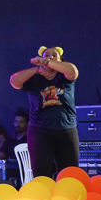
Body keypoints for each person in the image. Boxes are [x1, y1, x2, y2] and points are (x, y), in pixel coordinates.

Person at [9, 46, 79, 178]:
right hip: (40, 132)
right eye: (47, 55)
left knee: (70, 176)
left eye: (54, 55)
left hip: (66, 131)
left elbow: (73, 71)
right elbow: (14, 81)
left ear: (60, 60)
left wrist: (46, 62)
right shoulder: (34, 79)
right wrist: (37, 69)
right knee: (41, 176)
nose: (50, 57)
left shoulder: (64, 77)